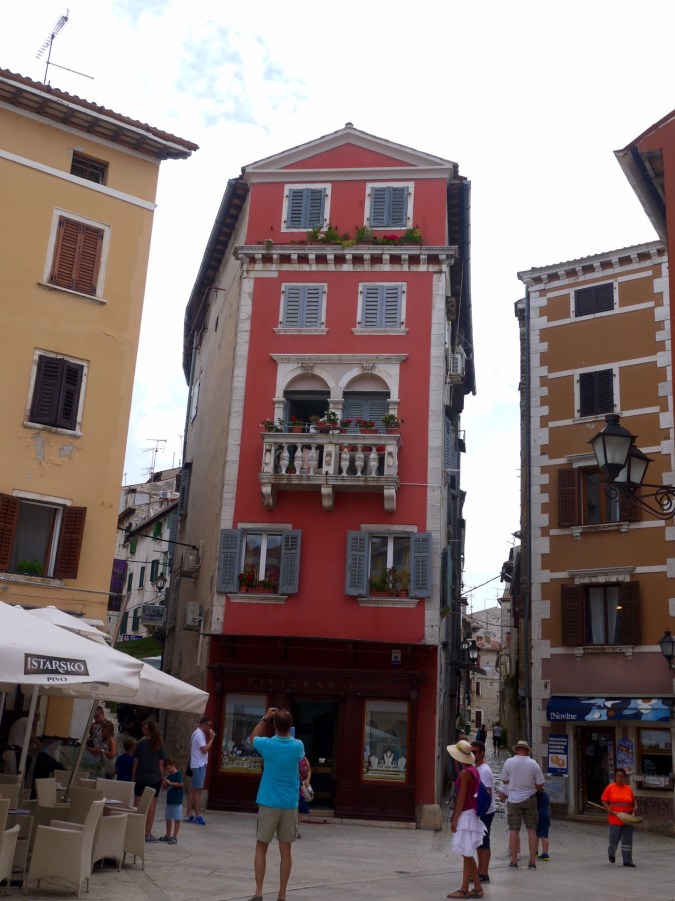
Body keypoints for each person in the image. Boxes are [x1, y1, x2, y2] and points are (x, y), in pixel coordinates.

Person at [249, 707, 304, 901]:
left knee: (261, 846)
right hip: (289, 803)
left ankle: (258, 892)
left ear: (274, 725)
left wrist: (264, 718)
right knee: (286, 851)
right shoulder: (298, 746)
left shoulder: (268, 744)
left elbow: (253, 737)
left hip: (268, 800)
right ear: (291, 725)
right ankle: (282, 894)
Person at [446, 739, 486, 899]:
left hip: (466, 814)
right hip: (471, 813)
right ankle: (477, 888)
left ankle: (465, 890)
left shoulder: (465, 773)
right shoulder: (473, 770)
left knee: (467, 854)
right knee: (467, 854)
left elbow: (461, 798)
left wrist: (454, 819)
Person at [498, 739, 544, 870]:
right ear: (527, 750)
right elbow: (540, 784)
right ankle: (532, 862)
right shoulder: (533, 763)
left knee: (514, 830)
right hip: (530, 798)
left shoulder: (509, 762)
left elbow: (505, 781)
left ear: (517, 749)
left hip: (513, 800)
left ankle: (514, 861)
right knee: (531, 830)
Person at [132, 719, 167, 842]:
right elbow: (161, 764)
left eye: (145, 728)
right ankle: (147, 833)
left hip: (141, 778)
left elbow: (135, 762)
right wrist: (162, 778)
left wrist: (133, 777)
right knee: (151, 806)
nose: (143, 730)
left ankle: (135, 830)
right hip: (154, 779)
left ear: (149, 730)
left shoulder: (141, 744)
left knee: (137, 805)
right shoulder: (160, 745)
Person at [600, 767, 638, 867]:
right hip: (615, 818)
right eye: (618, 776)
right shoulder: (610, 787)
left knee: (627, 841)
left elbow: (634, 801)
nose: (620, 778)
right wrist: (608, 808)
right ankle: (611, 852)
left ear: (624, 777)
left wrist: (635, 807)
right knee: (614, 839)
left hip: (627, 819)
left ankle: (627, 861)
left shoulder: (628, 788)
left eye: (622, 776)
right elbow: (603, 799)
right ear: (615, 777)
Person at [471, 739, 495, 884]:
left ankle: (484, 873)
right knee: (480, 842)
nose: (472, 755)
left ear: (482, 753)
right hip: (481, 811)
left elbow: (487, 794)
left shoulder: (484, 771)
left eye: (474, 752)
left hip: (485, 812)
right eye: (471, 752)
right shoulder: (477, 768)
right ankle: (480, 870)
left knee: (484, 842)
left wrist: (480, 812)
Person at [184, 716, 216, 825]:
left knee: (193, 790)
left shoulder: (198, 733)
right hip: (199, 765)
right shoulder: (199, 735)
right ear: (203, 724)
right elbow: (205, 750)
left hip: (196, 764)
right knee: (197, 791)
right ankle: (197, 815)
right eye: (208, 725)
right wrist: (211, 739)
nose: (209, 727)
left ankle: (188, 814)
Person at [160, 757, 184, 844]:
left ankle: (174, 836)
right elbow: (165, 789)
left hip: (177, 801)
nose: (167, 770)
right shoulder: (169, 776)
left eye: (168, 768)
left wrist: (170, 783)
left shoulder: (178, 774)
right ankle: (168, 835)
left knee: (177, 819)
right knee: (168, 818)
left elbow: (180, 784)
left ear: (172, 765)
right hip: (169, 801)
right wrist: (164, 785)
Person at [296, 755, 312, 837]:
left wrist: (308, 779)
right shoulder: (290, 756)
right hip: (291, 786)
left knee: (302, 808)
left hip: (301, 786)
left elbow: (309, 770)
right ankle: (293, 829)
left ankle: (295, 827)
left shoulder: (304, 758)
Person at [536, 788, 551, 860]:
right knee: (545, 835)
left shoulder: (536, 795)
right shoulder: (546, 795)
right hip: (546, 816)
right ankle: (545, 853)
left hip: (538, 816)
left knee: (535, 834)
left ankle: (535, 851)